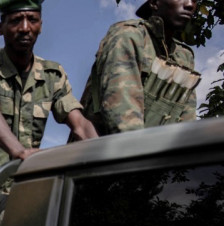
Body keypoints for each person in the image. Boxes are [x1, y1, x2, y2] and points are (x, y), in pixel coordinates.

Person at [0, 0, 97, 181]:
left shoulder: (52, 75)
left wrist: (101, 153)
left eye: (32, 20)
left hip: (25, 185)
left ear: (40, 26)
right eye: (16, 20)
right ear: (0, 28)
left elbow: (79, 124)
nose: (25, 28)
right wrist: (21, 153)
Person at [81, 0, 200, 135]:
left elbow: (187, 120)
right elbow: (123, 113)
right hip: (102, 148)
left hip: (154, 150)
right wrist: (142, 151)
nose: (190, 4)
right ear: (155, 3)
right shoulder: (129, 36)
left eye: (194, 0)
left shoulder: (184, 56)